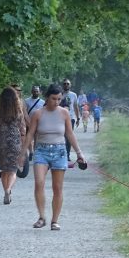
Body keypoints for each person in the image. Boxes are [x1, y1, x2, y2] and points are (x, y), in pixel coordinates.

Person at [19, 83, 86, 231]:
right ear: (47, 98)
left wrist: (79, 153)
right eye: (53, 99)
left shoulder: (64, 113)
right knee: (39, 182)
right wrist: (23, 153)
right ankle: (42, 217)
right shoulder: (38, 113)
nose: (56, 102)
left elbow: (69, 133)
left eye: (59, 99)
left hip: (59, 151)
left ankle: (54, 221)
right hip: (41, 151)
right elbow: (30, 134)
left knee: (57, 188)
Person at [0, 86, 27, 205]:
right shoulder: (18, 111)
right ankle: (8, 189)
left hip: (2, 141)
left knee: (4, 169)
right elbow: (23, 130)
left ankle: (6, 190)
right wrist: (24, 146)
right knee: (13, 170)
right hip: (14, 141)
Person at [60, 79, 80, 161]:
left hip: (70, 118)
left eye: (68, 84)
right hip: (60, 118)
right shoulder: (60, 94)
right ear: (63, 85)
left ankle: (67, 155)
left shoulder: (73, 95)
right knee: (61, 137)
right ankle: (61, 154)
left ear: (70, 85)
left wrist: (78, 118)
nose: (66, 85)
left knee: (68, 137)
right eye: (64, 84)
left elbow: (76, 106)